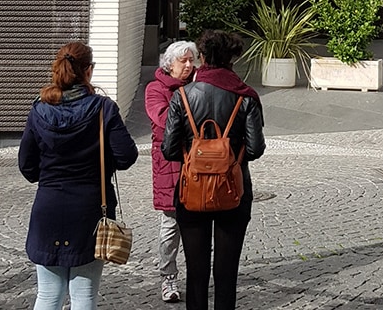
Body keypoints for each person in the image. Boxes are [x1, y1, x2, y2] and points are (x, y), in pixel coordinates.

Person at [19, 42, 138, 310]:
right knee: (84, 294)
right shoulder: (103, 108)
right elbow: (127, 156)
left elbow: (26, 165)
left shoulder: (39, 109)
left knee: (48, 294)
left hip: (49, 204)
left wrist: (51, 174)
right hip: (89, 206)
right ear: (88, 71)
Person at [162, 30, 265, 310]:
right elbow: (255, 149)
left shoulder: (182, 96)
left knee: (196, 273)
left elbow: (169, 150)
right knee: (226, 272)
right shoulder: (245, 97)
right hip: (233, 190)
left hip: (191, 190)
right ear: (232, 59)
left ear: (203, 58)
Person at [145, 40, 198, 303]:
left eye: (191, 60)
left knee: (197, 221)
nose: (189, 65)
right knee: (170, 223)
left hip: (197, 162)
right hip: (169, 163)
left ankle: (197, 276)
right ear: (170, 63)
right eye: (183, 61)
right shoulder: (155, 89)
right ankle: (168, 277)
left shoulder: (197, 86)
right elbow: (164, 120)